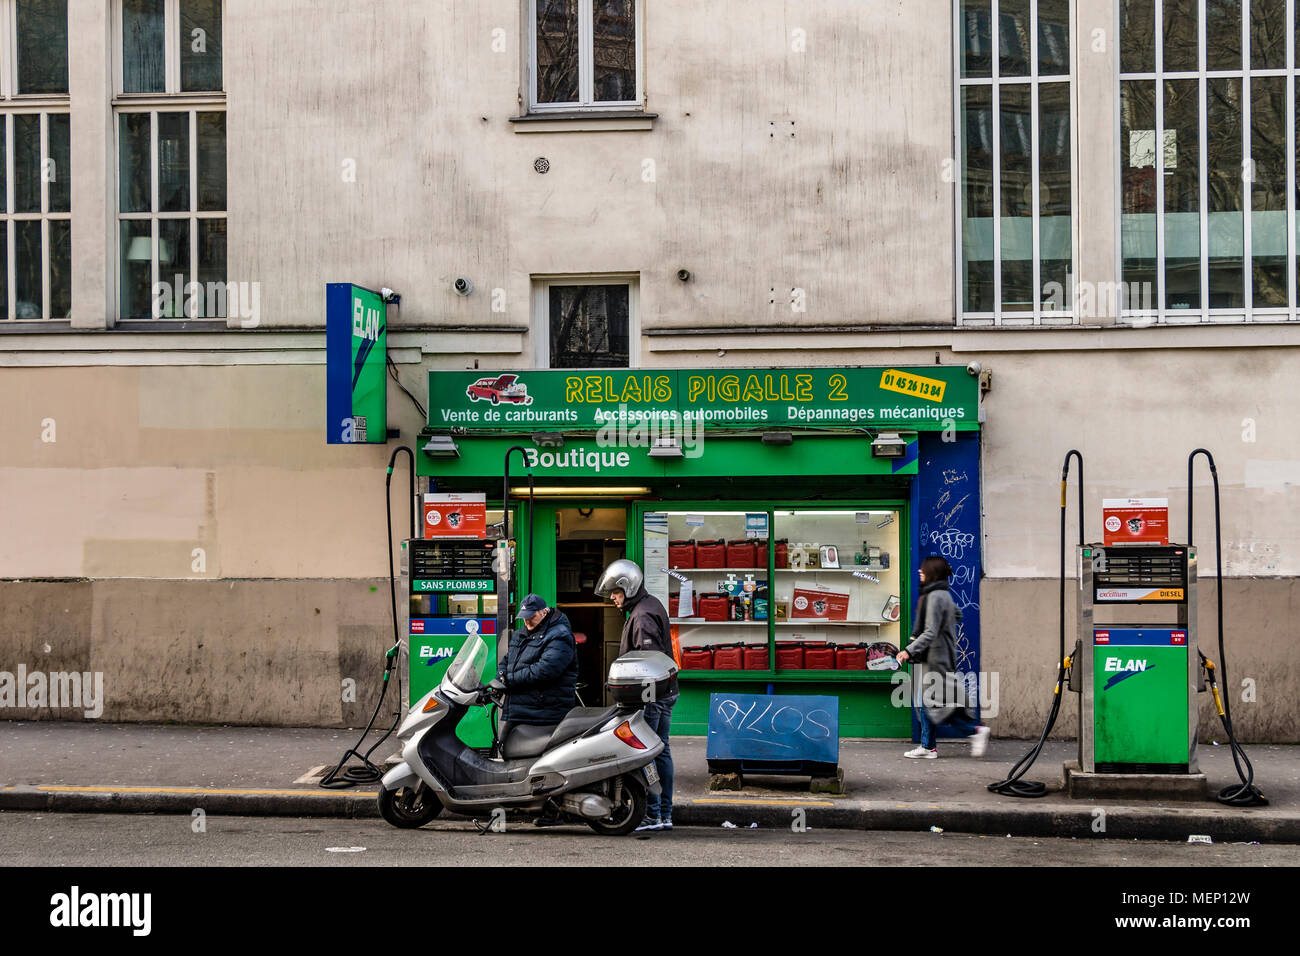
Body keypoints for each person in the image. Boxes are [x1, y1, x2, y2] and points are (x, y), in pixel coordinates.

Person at [595, 558, 676, 832]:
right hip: (666, 692)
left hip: (652, 698)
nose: (614, 599)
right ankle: (665, 814)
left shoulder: (641, 616)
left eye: (616, 593)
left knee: (646, 755)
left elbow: (645, 665)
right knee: (661, 751)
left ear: (627, 588)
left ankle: (653, 814)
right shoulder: (650, 604)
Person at [896, 555, 990, 759]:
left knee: (935, 706)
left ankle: (974, 731)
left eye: (923, 569)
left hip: (936, 658)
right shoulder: (942, 594)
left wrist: (908, 650)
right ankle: (928, 746)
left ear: (932, 572)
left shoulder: (935, 596)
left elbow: (930, 632)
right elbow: (957, 614)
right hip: (938, 656)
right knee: (929, 702)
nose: (919, 572)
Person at [501, 593, 578, 735]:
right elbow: (507, 659)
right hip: (523, 708)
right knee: (505, 745)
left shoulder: (560, 635)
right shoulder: (521, 633)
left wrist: (508, 680)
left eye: (531, 617)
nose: (527, 622)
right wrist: (500, 676)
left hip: (544, 712)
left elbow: (544, 670)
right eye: (524, 617)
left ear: (544, 612)